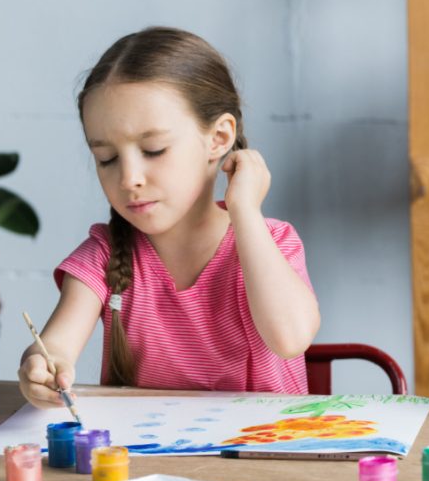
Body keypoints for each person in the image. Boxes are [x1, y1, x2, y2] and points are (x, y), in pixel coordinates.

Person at [18, 27, 320, 405]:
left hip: (257, 458)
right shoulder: (103, 254)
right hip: (147, 461)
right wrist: (41, 367)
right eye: (106, 159)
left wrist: (245, 210)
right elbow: (55, 347)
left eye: (154, 149)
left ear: (219, 138)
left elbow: (290, 339)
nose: (129, 179)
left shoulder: (270, 241)